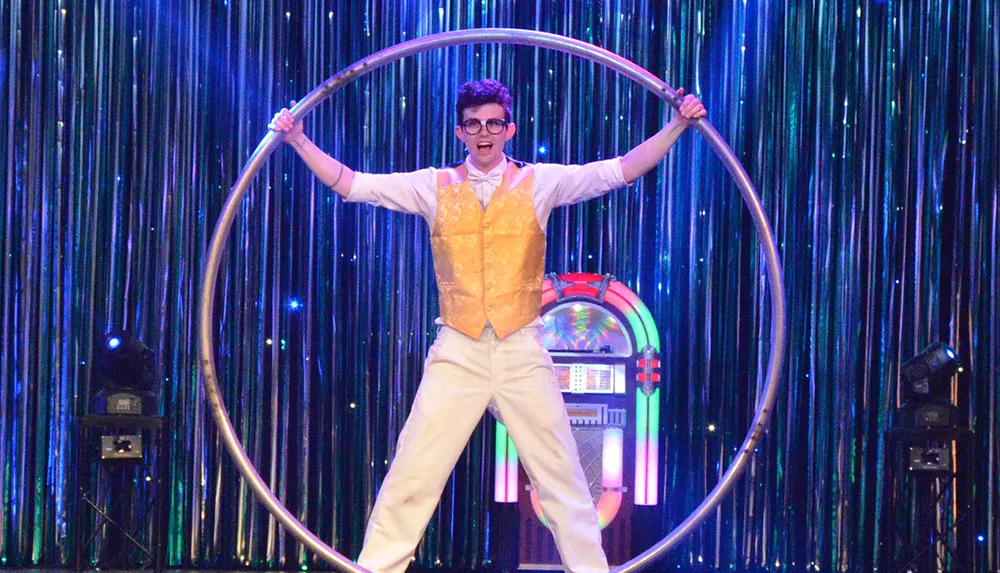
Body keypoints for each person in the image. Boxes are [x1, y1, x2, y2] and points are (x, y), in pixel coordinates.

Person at [269, 79, 706, 573]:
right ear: (460, 131)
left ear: (509, 129)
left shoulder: (540, 182)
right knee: (414, 470)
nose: (484, 133)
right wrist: (299, 140)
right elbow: (353, 184)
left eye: (493, 123)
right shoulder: (432, 185)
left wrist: (676, 125)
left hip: (521, 349)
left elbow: (620, 171)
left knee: (561, 476)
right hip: (459, 350)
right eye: (474, 124)